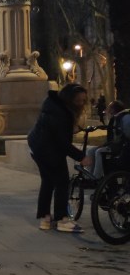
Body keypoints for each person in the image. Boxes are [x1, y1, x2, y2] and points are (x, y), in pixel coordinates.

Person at [27, 82, 90, 233]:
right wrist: (81, 157)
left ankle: (45, 219)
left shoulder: (54, 105)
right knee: (62, 183)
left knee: (48, 182)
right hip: (49, 150)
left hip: (37, 146)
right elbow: (62, 142)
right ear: (69, 99)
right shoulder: (61, 114)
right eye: (78, 100)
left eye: (83, 100)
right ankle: (62, 219)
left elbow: (56, 132)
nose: (81, 104)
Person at [86, 100, 130, 179]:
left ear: (112, 110)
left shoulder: (122, 118)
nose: (106, 110)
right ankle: (89, 177)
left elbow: (121, 138)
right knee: (90, 151)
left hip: (121, 147)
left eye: (108, 108)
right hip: (113, 145)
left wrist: (109, 145)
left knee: (99, 152)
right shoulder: (115, 118)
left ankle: (96, 178)